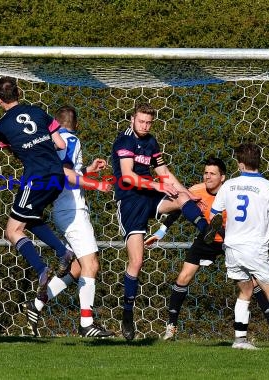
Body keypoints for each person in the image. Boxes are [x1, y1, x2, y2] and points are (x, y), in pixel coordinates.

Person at [111, 102, 220, 341]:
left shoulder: (151, 141)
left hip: (150, 197)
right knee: (137, 262)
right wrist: (158, 185)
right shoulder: (124, 141)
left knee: (182, 196)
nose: (145, 126)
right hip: (130, 202)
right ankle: (127, 314)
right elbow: (128, 177)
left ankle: (206, 230)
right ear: (132, 119)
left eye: (149, 122)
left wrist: (187, 192)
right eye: (141, 121)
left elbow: (164, 173)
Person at [144, 157, 269, 340]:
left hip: (231, 240)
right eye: (205, 173)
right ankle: (171, 327)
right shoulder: (195, 191)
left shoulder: (231, 192)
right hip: (206, 238)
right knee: (183, 276)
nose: (207, 176)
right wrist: (161, 232)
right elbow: (178, 209)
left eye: (212, 173)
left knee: (253, 281)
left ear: (223, 177)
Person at [24, 106, 113, 338]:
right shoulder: (71, 139)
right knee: (91, 264)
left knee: (76, 267)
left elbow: (68, 173)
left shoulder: (51, 140)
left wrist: (88, 171)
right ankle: (86, 324)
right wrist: (97, 184)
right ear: (77, 124)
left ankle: (37, 304)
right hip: (72, 209)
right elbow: (65, 173)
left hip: (61, 207)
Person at [0, 76, 74, 302]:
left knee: (12, 231)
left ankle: (41, 269)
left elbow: (15, 152)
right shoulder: (39, 112)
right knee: (29, 218)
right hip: (57, 175)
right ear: (18, 93)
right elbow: (61, 144)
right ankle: (63, 252)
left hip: (35, 178)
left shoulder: (0, 128)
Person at [210, 143, 269, 350]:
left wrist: (224, 233)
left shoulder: (228, 185)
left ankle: (240, 340)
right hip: (255, 248)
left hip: (232, 248)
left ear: (240, 164)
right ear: (258, 161)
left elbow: (214, 215)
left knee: (245, 292)